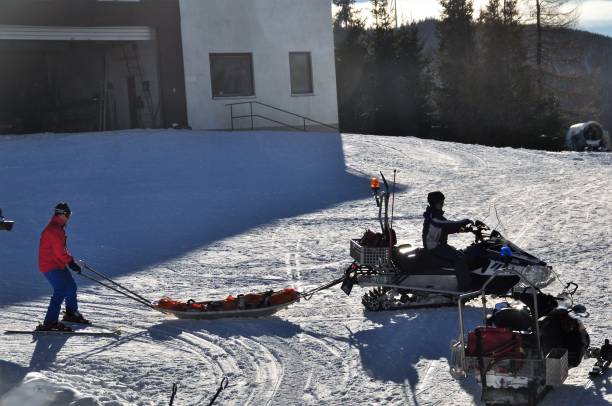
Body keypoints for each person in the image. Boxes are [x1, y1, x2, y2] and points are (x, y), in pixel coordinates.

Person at [37, 202, 88, 331]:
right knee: (60, 289)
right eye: (69, 215)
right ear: (63, 214)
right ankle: (50, 322)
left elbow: (62, 250)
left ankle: (71, 313)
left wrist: (71, 261)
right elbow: (59, 251)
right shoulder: (53, 229)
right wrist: (70, 263)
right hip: (50, 265)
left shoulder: (58, 227)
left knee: (71, 286)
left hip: (57, 263)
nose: (69, 218)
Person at [422, 191, 473, 291]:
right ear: (435, 203)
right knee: (459, 258)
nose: (442, 205)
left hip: (439, 245)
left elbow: (445, 228)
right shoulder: (433, 217)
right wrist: (463, 222)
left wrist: (463, 229)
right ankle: (464, 288)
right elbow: (446, 224)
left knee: (461, 254)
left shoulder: (436, 216)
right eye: (441, 203)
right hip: (433, 246)